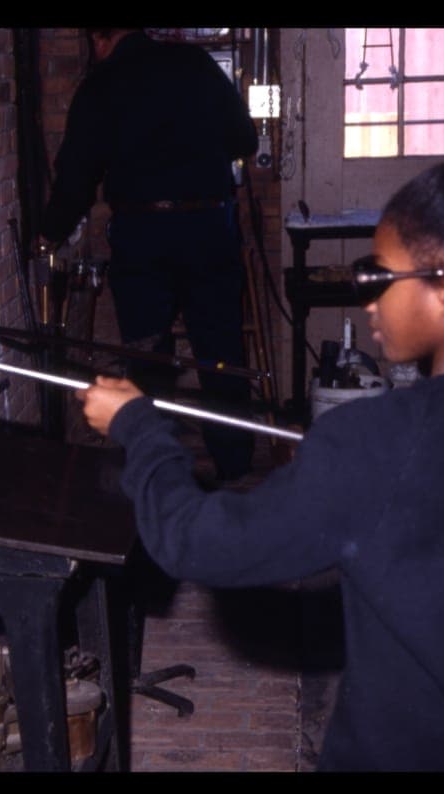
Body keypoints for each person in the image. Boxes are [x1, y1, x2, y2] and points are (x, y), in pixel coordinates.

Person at [75, 127, 444, 770]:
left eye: (377, 274)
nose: (364, 296)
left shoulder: (375, 442)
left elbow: (199, 542)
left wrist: (138, 426)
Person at [39, 28, 259, 481]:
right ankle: (237, 474)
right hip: (208, 228)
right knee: (220, 356)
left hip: (144, 235)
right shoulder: (197, 65)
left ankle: (157, 476)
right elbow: (245, 140)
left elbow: (76, 178)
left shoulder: (101, 84)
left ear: (100, 41)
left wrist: (47, 234)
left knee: (149, 360)